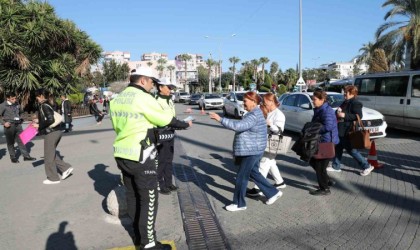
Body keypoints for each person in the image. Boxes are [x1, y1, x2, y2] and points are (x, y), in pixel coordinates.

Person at [111, 67, 186, 249]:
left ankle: (139, 237)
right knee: (149, 198)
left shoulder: (117, 98)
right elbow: (166, 119)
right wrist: (184, 124)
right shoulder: (144, 98)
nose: (153, 85)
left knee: (133, 196)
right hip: (142, 154)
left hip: (122, 153)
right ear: (143, 80)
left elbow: (117, 125)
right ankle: (149, 244)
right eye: (152, 81)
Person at [209, 91, 283, 212]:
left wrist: (220, 119)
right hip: (254, 149)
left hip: (251, 151)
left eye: (245, 101)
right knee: (254, 173)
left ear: (254, 102)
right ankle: (273, 192)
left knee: (241, 177)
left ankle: (239, 203)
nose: (243, 103)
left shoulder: (254, 115)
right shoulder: (254, 112)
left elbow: (238, 126)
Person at [155, 78, 192, 195]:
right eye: (168, 87)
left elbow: (172, 118)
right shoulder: (155, 100)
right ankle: (160, 184)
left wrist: (181, 124)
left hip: (170, 132)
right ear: (160, 87)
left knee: (169, 159)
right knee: (161, 160)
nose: (170, 89)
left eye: (171, 87)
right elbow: (161, 119)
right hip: (160, 133)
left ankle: (168, 182)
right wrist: (184, 124)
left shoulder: (170, 100)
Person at [327, 85, 374, 176]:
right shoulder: (346, 102)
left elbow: (359, 116)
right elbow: (340, 112)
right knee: (338, 147)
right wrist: (337, 112)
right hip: (341, 129)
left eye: (346, 92)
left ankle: (366, 166)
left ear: (352, 93)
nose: (344, 94)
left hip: (347, 130)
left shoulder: (355, 103)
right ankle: (336, 166)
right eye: (344, 92)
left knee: (351, 150)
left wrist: (344, 115)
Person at [247, 92, 287, 197]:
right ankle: (280, 182)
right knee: (271, 163)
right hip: (265, 142)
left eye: (265, 102)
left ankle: (258, 188)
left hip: (272, 144)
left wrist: (269, 124)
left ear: (271, 101)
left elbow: (279, 131)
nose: (263, 104)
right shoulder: (269, 112)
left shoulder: (279, 114)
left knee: (263, 165)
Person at [32, 89, 73, 185]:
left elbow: (50, 119)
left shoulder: (43, 105)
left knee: (48, 156)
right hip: (56, 132)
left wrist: (39, 126)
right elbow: (48, 117)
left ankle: (53, 178)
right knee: (52, 153)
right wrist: (39, 120)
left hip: (51, 133)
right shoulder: (48, 104)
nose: (36, 99)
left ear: (41, 96)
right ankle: (66, 168)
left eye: (37, 97)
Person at [309, 90, 339, 195]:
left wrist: (315, 129)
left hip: (327, 142)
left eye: (315, 99)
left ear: (322, 100)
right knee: (313, 161)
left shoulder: (326, 111)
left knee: (319, 166)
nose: (313, 101)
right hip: (322, 140)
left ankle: (324, 189)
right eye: (313, 99)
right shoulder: (320, 109)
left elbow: (328, 126)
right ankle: (328, 181)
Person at [0, 92, 36, 163]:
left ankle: (26, 156)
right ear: (8, 98)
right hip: (9, 126)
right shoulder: (3, 105)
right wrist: (4, 123)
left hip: (18, 125)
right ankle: (13, 157)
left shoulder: (17, 104)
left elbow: (21, 113)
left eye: (15, 98)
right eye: (12, 99)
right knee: (11, 142)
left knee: (22, 141)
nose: (14, 100)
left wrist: (21, 118)